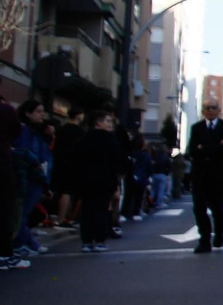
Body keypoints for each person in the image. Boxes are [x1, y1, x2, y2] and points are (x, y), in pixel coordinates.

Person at [186, 101, 223, 253]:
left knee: (218, 208)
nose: (211, 110)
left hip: (218, 175)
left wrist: (204, 147)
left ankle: (219, 234)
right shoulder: (196, 128)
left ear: (219, 110)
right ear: (203, 111)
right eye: (208, 108)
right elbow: (192, 150)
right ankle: (204, 240)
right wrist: (214, 146)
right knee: (199, 208)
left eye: (214, 107)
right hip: (199, 174)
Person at [75, 111, 120, 252]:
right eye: (107, 121)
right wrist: (115, 183)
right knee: (101, 210)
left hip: (86, 181)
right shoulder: (111, 140)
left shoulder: (84, 138)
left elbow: (75, 158)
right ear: (98, 122)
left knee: (87, 211)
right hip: (104, 181)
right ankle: (100, 240)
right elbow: (117, 162)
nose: (110, 124)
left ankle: (86, 241)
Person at [13, 101, 52, 258]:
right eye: (38, 111)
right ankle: (22, 243)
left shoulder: (36, 132)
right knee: (21, 214)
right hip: (29, 177)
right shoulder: (25, 132)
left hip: (35, 178)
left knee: (23, 213)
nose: (42, 114)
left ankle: (24, 242)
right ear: (27, 113)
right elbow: (28, 155)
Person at [1, 98, 25, 271]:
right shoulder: (5, 110)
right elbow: (16, 131)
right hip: (2, 164)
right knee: (4, 209)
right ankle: (4, 255)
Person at [52, 108, 84, 227]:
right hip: (73, 164)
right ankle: (62, 219)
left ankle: (62, 217)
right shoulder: (80, 132)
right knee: (68, 191)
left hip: (60, 163)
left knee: (61, 190)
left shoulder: (61, 130)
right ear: (78, 116)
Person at [120, 134, 151, 224]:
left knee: (128, 196)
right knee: (139, 196)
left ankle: (124, 213)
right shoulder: (145, 155)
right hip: (142, 178)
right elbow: (149, 167)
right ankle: (136, 213)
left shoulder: (129, 154)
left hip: (129, 177)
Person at [147, 141, 173, 212]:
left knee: (153, 189)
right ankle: (159, 203)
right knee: (161, 190)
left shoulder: (155, 156)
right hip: (162, 174)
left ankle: (150, 202)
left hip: (154, 174)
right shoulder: (166, 157)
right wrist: (167, 173)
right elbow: (169, 166)